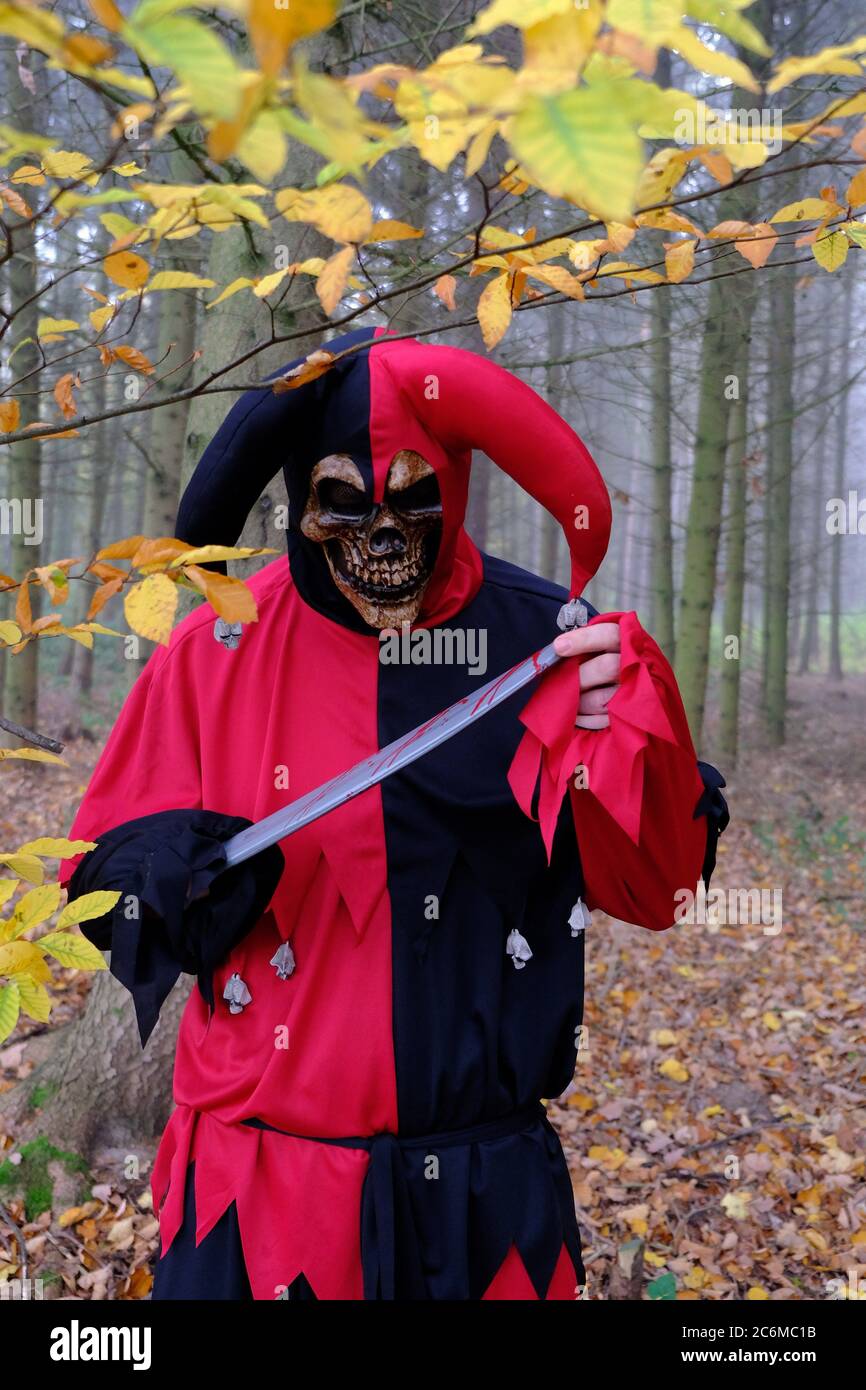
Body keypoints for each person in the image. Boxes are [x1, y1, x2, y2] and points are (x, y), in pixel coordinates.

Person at [62, 327, 728, 1301]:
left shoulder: (550, 647)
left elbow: (657, 886)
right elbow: (95, 892)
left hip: (481, 1205)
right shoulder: (213, 647)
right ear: (301, 500)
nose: (382, 537)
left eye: (413, 501)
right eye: (345, 504)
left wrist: (641, 726)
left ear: (454, 488)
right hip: (259, 1199)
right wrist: (157, 882)